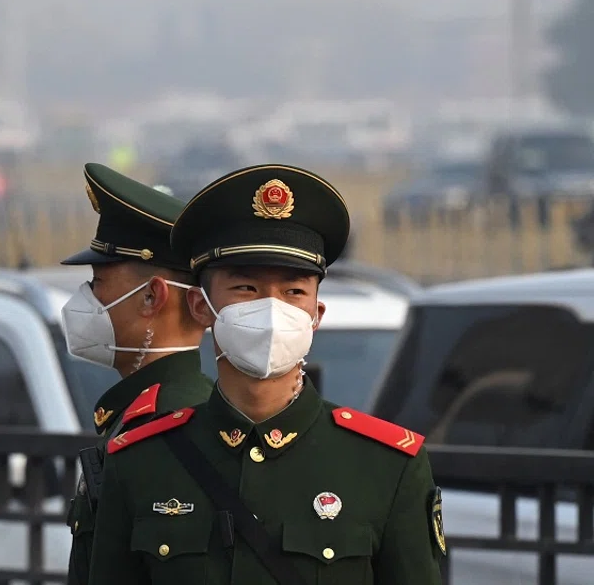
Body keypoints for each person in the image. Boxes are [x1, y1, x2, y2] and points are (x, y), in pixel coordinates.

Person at [88, 164, 445, 585]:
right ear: (202, 308)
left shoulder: (386, 466)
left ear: (316, 314)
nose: (272, 310)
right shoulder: (140, 462)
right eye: (246, 289)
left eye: (294, 291)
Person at [61, 163, 214, 585]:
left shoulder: (172, 423)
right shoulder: (142, 412)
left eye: (97, 280)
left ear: (152, 296)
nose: (85, 298)